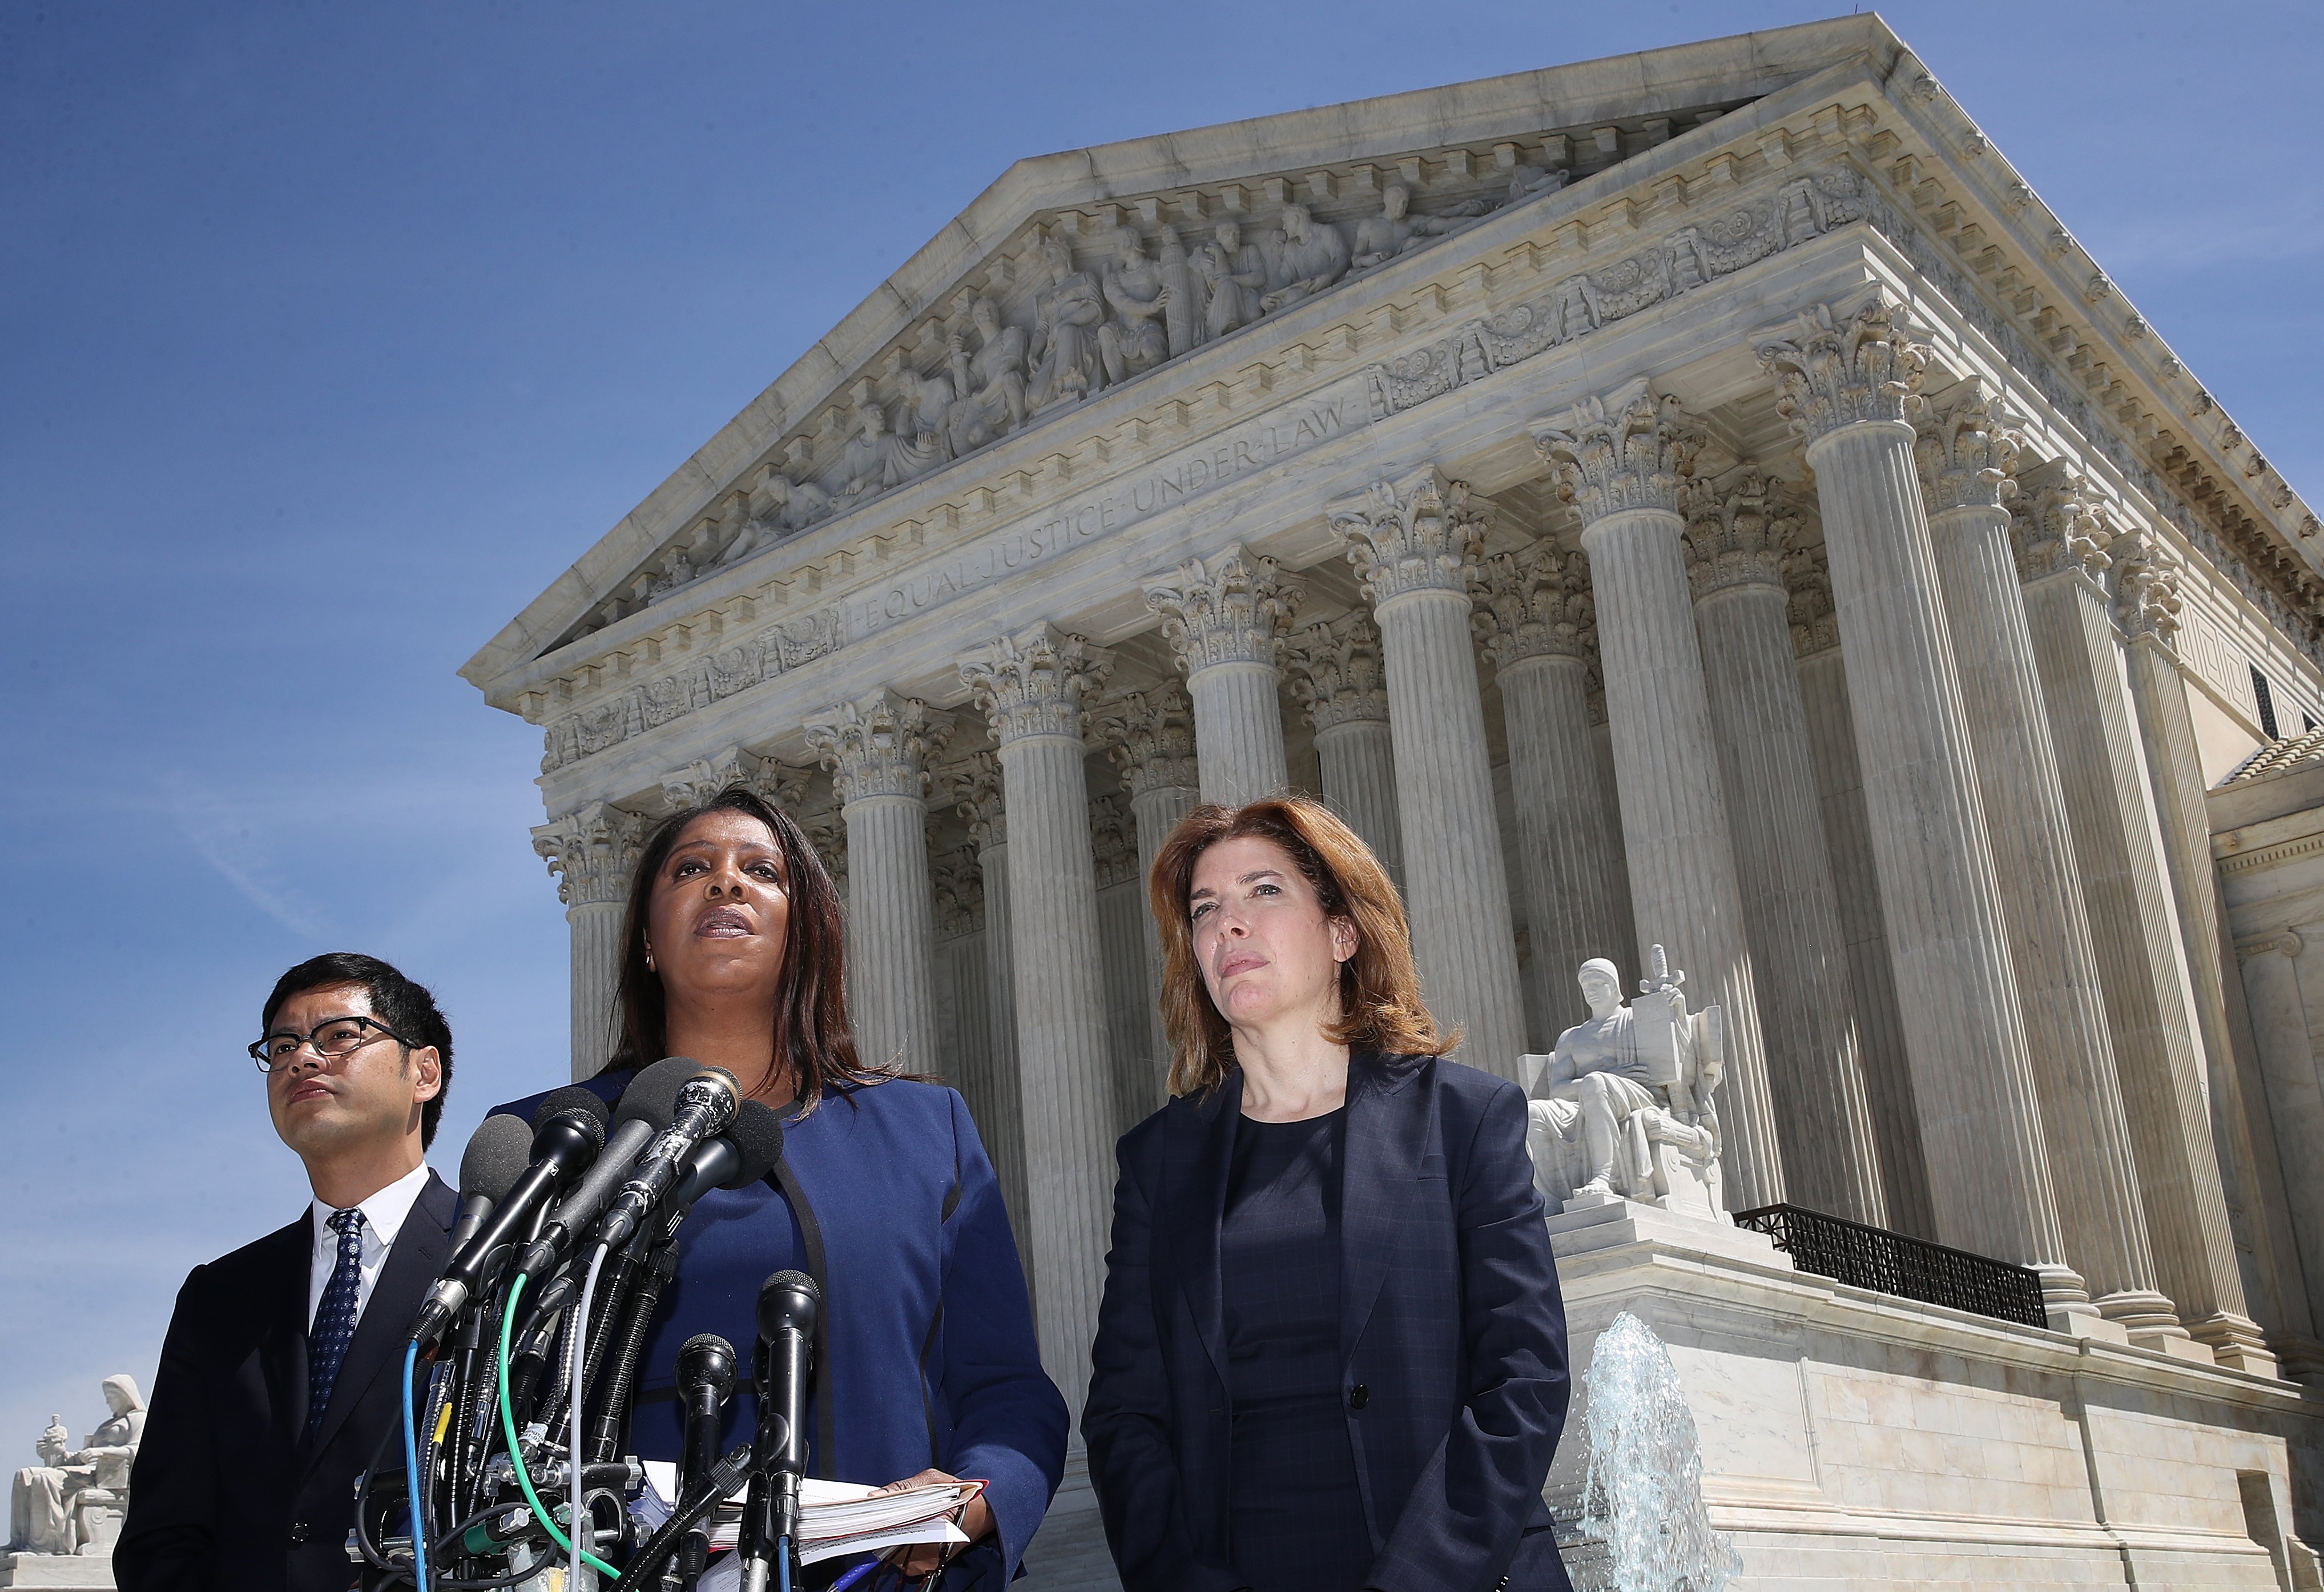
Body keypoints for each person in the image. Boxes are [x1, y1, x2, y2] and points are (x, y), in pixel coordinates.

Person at [492, 786, 1067, 1588]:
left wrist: (972, 1499)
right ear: (646, 944)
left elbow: (1004, 1385)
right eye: (692, 869)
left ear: (808, 936)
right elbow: (490, 1412)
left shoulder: (921, 1129)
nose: (725, 883)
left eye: (761, 871)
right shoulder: (562, 1141)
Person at [1085, 797, 1572, 1592]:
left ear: (1342, 933)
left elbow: (1523, 1379)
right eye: (1205, 909)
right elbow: (1124, 1416)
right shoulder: (1157, 1162)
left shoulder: (1463, 1120)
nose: (1226, 925)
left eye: (1263, 892)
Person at [116, 953, 458, 1592]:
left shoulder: (501, 1261)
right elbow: (165, 1532)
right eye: (282, 1045)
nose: (302, 1058)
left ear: (424, 1071)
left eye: (340, 1036)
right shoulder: (219, 1296)